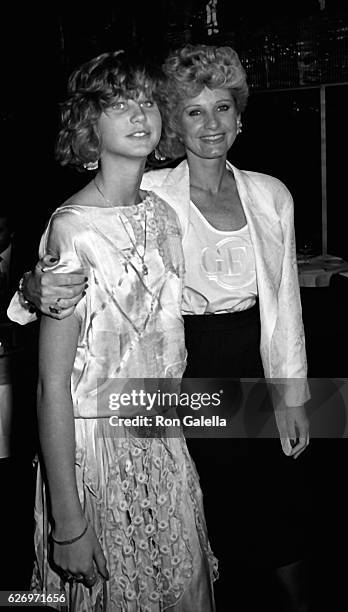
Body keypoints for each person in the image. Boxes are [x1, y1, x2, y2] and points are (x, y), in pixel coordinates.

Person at [8, 44, 309, 610]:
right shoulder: (147, 194)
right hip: (160, 388)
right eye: (193, 111)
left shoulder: (263, 196)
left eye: (223, 108)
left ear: (241, 115)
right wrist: (30, 287)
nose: (211, 124)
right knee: (150, 553)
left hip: (244, 363)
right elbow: (73, 279)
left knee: (275, 510)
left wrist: (296, 396)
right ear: (178, 122)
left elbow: (287, 301)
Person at [22, 50, 218, 611]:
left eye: (149, 102)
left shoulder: (163, 214)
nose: (140, 114)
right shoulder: (72, 229)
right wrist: (67, 520)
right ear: (89, 124)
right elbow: (51, 385)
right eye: (119, 103)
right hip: (95, 451)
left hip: (162, 439)